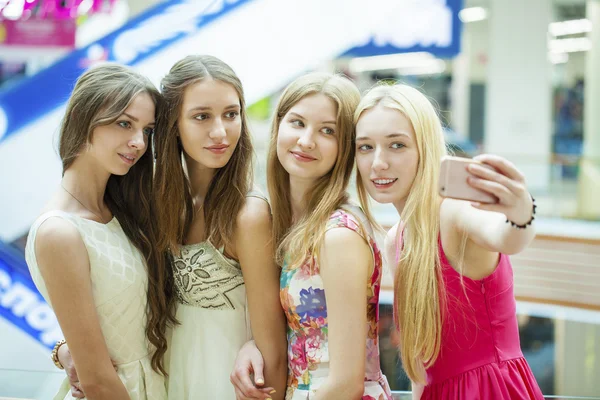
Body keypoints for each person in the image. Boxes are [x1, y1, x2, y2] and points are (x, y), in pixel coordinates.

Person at [353, 83, 544, 400]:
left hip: (490, 391)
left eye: (397, 145)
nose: (378, 163)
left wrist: (522, 211)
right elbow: (420, 361)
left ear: (425, 148)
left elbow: (507, 236)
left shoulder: (452, 211)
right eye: (365, 147)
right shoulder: (395, 239)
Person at [232, 72, 392, 400]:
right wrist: (253, 345)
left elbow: (347, 382)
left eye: (327, 131)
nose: (306, 141)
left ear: (345, 146)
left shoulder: (338, 235)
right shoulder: (291, 225)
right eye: (298, 122)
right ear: (278, 126)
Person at [25, 64, 167, 399]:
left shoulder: (123, 210)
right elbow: (97, 381)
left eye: (147, 130)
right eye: (124, 123)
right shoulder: (59, 231)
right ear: (83, 117)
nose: (138, 143)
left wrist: (64, 347)